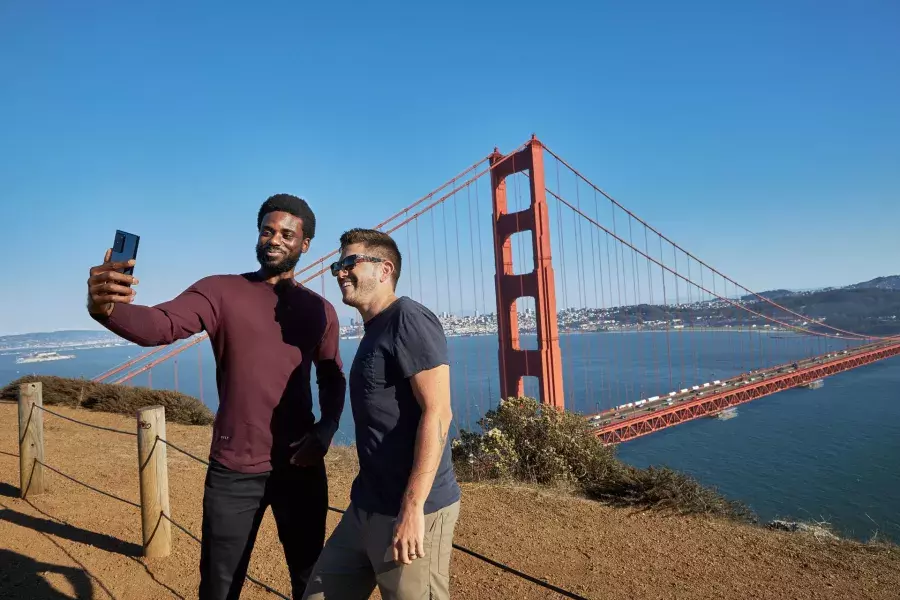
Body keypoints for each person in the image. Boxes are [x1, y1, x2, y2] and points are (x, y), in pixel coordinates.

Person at [86, 194, 346, 599]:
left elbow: (331, 377)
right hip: (235, 468)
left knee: (311, 580)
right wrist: (105, 309)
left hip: (301, 464)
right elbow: (161, 324)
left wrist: (327, 429)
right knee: (220, 587)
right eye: (267, 230)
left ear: (305, 244)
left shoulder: (322, 311)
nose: (274, 239)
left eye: (287, 234)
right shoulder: (220, 291)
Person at [303, 228, 461, 600]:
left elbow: (438, 413)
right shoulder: (375, 328)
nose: (339, 272)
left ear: (384, 269)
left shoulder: (408, 317)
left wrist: (412, 510)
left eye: (349, 262)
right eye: (336, 265)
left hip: (411, 509)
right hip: (367, 505)